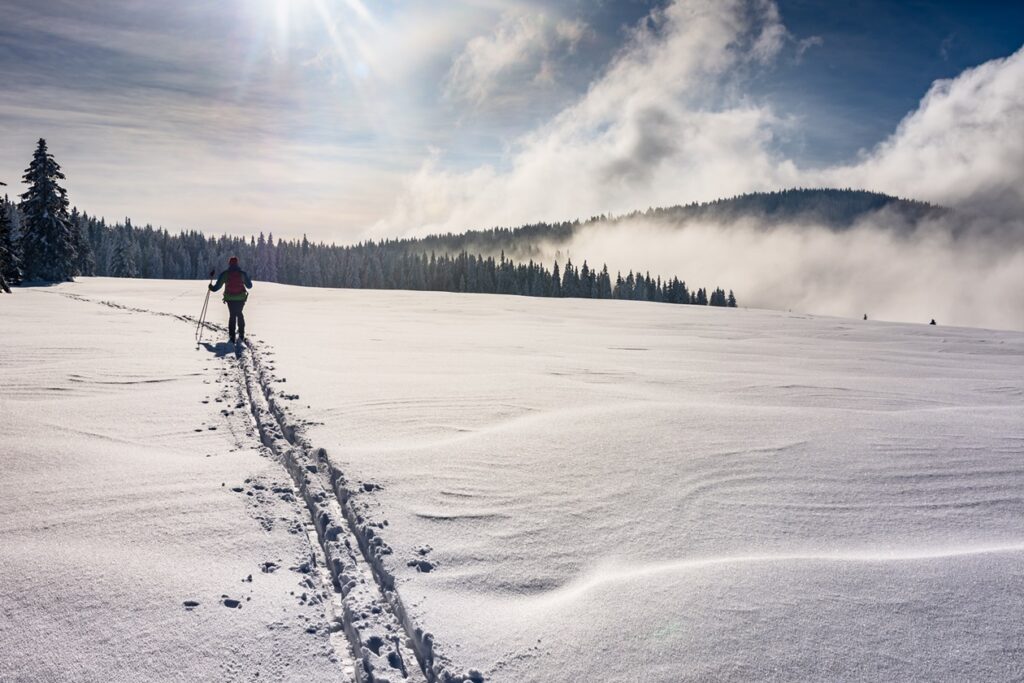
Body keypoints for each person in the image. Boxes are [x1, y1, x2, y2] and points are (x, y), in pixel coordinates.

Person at [209, 256, 253, 344]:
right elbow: (249, 286)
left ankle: (232, 336)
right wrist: (248, 278)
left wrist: (211, 287)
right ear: (237, 263)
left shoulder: (225, 274)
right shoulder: (242, 274)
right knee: (239, 314)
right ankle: (241, 334)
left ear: (229, 263)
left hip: (230, 298)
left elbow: (217, 287)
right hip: (241, 298)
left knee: (232, 315)